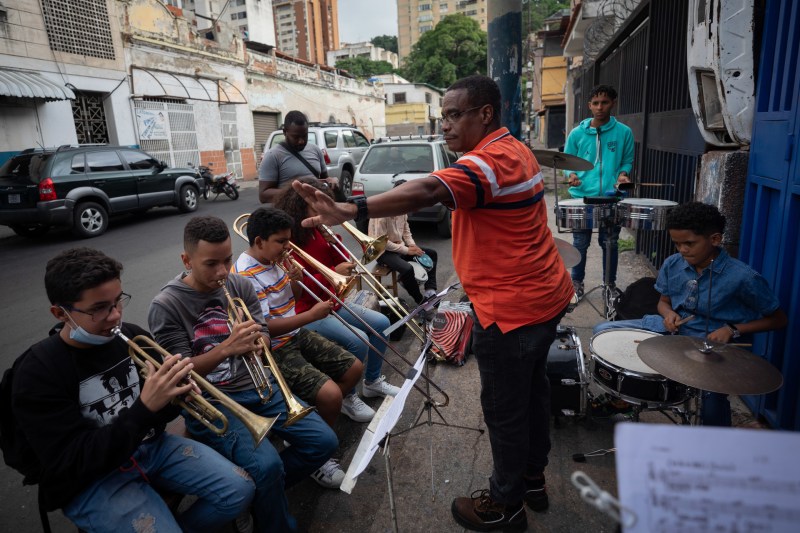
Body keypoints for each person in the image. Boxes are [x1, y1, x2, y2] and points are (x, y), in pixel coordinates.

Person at [292, 74, 575, 532]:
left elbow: (430, 189)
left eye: (454, 115)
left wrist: (351, 209)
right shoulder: (514, 148)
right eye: (442, 116)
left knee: (505, 411)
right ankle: (532, 480)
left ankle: (505, 506)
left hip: (513, 311)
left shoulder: (491, 159)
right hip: (544, 297)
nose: (444, 125)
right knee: (532, 394)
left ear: (485, 114)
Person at [12, 248, 254, 532]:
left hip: (150, 447)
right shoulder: (38, 371)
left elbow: (159, 416)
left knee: (240, 489)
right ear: (60, 313)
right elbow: (70, 460)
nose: (115, 316)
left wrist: (176, 397)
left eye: (118, 302)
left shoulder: (132, 336)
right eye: (99, 308)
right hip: (92, 477)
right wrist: (145, 408)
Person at [148, 216, 337, 532]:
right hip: (212, 402)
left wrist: (257, 340)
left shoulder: (239, 284)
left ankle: (261, 495)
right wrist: (226, 348)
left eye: (227, 260)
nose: (222, 272)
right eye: (211, 264)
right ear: (186, 260)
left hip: (259, 387)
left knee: (324, 442)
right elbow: (180, 376)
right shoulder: (167, 305)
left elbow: (263, 333)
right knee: (268, 465)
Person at [593, 202, 787, 426]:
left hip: (709, 346)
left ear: (714, 239)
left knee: (711, 398)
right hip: (670, 330)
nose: (682, 250)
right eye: (677, 244)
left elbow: (778, 319)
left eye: (689, 243)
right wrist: (668, 314)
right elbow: (663, 302)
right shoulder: (673, 264)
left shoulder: (744, 278)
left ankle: (713, 445)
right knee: (602, 332)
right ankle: (622, 398)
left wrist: (732, 329)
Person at [233, 206, 366, 488]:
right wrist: (312, 315)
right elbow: (264, 326)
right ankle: (318, 455)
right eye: (281, 241)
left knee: (354, 368)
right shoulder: (245, 274)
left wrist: (295, 281)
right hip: (276, 347)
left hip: (296, 334)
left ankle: (312, 423)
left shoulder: (274, 260)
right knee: (331, 395)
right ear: (259, 242)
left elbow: (289, 298)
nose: (287, 247)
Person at [275, 179, 401, 416]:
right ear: (301, 206)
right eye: (317, 207)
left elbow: (333, 262)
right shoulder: (290, 241)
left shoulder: (319, 230)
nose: (323, 212)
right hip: (308, 309)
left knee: (383, 323)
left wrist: (337, 245)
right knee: (357, 340)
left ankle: (372, 381)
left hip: (331, 300)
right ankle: (348, 396)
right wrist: (334, 274)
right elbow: (299, 285)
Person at [563, 84, 634, 301]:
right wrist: (571, 175)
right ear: (589, 105)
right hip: (582, 197)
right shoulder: (577, 133)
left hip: (612, 198)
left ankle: (609, 285)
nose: (600, 107)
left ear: (613, 103)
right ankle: (576, 283)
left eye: (604, 102)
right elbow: (567, 160)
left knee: (610, 242)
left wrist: (623, 174)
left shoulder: (624, 132)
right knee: (580, 243)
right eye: (595, 103)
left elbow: (627, 159)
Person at [368, 179, 439, 305]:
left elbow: (406, 230)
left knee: (431, 254)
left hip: (398, 246)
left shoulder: (403, 208)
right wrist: (407, 250)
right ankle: (421, 301)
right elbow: (381, 243)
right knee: (407, 269)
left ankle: (430, 291)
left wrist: (412, 245)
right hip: (382, 252)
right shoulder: (382, 212)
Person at [259, 110, 339, 204]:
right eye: (296, 137)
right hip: (289, 215)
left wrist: (332, 180)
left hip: (317, 212)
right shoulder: (273, 156)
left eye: (305, 136)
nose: (301, 141)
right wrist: (299, 192)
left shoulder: (315, 150)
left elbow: (324, 179)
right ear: (285, 132)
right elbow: (263, 195)